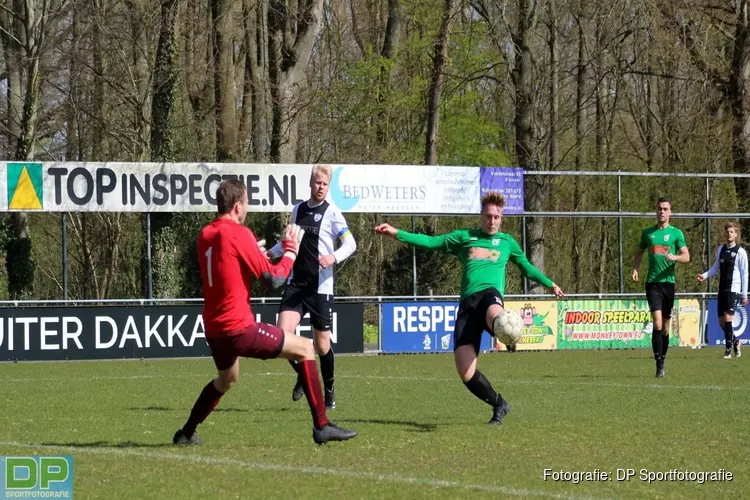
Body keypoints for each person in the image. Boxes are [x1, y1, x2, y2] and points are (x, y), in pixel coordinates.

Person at [172, 179, 357, 446]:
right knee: (306, 348)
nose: (246, 208)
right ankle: (322, 425)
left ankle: (186, 433)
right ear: (237, 206)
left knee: (227, 378)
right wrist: (291, 251)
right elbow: (275, 279)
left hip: (213, 329)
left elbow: (229, 268)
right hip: (238, 327)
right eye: (246, 203)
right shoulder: (238, 233)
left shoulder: (206, 235)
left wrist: (254, 254)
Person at [374, 192, 565, 425]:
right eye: (488, 216)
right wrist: (396, 233)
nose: (492, 221)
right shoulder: (464, 237)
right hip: (467, 305)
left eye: (496, 217)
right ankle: (499, 404)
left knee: (497, 314)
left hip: (489, 297)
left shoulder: (507, 243)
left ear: (501, 218)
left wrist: (550, 284)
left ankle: (507, 334)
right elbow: (431, 243)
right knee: (465, 372)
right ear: (481, 216)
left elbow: (527, 268)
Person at [267, 165, 357, 410]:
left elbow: (351, 244)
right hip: (296, 284)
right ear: (311, 182)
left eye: (325, 184)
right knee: (282, 337)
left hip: (320, 288)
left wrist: (333, 257)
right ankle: (302, 374)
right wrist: (271, 253)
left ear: (328, 186)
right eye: (317, 183)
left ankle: (329, 390)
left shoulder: (333, 213)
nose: (320, 188)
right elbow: (289, 241)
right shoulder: (298, 209)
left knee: (322, 345)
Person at [632, 197, 690, 378]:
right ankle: (658, 365)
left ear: (670, 212)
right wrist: (635, 268)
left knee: (665, 328)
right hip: (652, 283)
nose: (662, 211)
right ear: (655, 211)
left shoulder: (676, 234)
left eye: (665, 209)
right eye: (659, 209)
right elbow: (639, 251)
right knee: (656, 323)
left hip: (668, 284)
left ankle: (662, 359)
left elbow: (686, 256)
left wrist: (675, 257)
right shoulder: (648, 233)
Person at [697, 222, 748, 359]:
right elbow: (715, 268)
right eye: (727, 231)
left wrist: (744, 294)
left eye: (732, 232)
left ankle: (727, 350)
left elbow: (745, 274)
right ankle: (736, 341)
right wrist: (705, 275)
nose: (729, 234)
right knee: (721, 322)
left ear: (736, 234)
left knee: (728, 318)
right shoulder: (721, 249)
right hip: (722, 289)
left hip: (734, 289)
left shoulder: (740, 252)